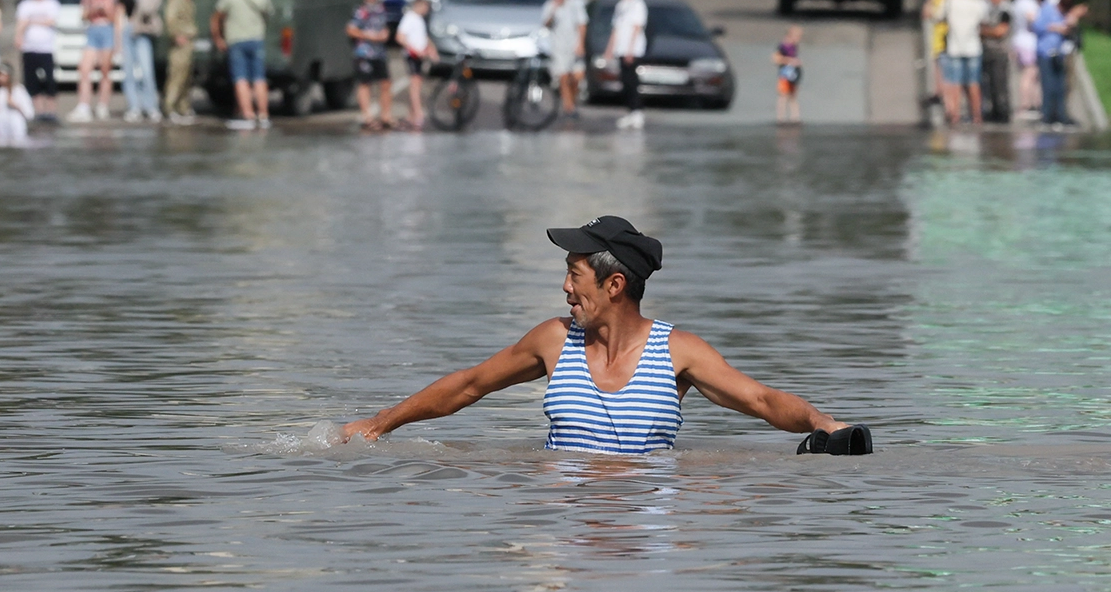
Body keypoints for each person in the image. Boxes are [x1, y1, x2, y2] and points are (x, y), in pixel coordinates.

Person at [340, 216, 858, 455]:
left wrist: (821, 422)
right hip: (564, 525)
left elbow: (763, 400)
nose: (565, 287)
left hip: (644, 530)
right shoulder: (553, 340)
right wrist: (380, 424)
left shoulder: (678, 352)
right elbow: (469, 385)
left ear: (614, 284)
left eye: (575, 274)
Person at [211, 0, 273, 130]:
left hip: (236, 40)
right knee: (259, 78)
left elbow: (217, 16)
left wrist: (218, 38)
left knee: (241, 79)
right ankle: (263, 114)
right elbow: (268, 13)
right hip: (257, 39)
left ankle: (248, 115)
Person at [1032, 0, 1088, 127]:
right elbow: (1039, 25)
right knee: (1048, 85)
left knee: (1060, 86)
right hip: (1046, 50)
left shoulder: (1062, 7)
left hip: (1060, 51)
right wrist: (1059, 26)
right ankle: (1048, 116)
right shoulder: (1051, 3)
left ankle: (1060, 115)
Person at [936, 0, 990, 125]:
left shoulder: (950, 2)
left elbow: (939, 17)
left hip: (955, 47)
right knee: (973, 83)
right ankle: (977, 115)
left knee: (955, 83)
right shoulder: (978, 3)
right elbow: (984, 21)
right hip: (973, 47)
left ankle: (955, 115)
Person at [69, 0, 122, 122]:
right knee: (84, 69)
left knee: (105, 70)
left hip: (107, 32)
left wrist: (118, 44)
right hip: (93, 32)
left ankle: (102, 105)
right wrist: (93, 10)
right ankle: (83, 105)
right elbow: (83, 16)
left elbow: (116, 19)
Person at [348, 0, 393, 131]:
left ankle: (386, 115)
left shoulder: (381, 10)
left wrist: (384, 35)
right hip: (364, 53)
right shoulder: (360, 12)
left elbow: (385, 28)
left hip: (380, 53)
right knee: (365, 83)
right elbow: (351, 30)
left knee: (385, 83)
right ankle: (367, 116)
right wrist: (369, 36)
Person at [121, 0, 165, 122]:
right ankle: (134, 107)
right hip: (128, 29)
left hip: (143, 31)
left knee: (146, 71)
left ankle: (151, 107)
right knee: (129, 72)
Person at [14, 0, 61, 122]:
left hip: (46, 48)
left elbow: (51, 21)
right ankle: (38, 111)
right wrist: (18, 36)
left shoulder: (52, 3)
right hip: (30, 47)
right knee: (31, 80)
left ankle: (51, 111)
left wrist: (32, 21)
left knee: (49, 80)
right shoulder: (25, 4)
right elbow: (21, 23)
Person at [604, 0, 646, 130]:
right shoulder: (621, 5)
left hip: (632, 50)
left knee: (631, 81)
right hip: (621, 49)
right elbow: (616, 29)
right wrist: (609, 49)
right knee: (624, 82)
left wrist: (631, 50)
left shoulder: (637, 4)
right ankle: (631, 111)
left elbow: (637, 27)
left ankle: (637, 112)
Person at [541, 0, 587, 120]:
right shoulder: (549, 5)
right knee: (564, 76)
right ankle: (568, 107)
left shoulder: (575, 4)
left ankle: (571, 101)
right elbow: (546, 24)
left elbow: (582, 24)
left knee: (577, 77)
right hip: (558, 47)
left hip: (573, 45)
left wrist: (580, 44)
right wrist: (553, 10)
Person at [396, 0, 438, 130]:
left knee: (417, 84)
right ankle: (418, 113)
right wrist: (414, 50)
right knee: (415, 85)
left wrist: (431, 50)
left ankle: (411, 114)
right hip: (413, 56)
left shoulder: (419, 19)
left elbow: (424, 37)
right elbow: (400, 37)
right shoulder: (409, 18)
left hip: (420, 56)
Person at [163, 0, 201, 124]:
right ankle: (170, 107)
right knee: (176, 75)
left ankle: (183, 107)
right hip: (180, 42)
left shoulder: (188, 0)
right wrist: (176, 35)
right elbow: (170, 18)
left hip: (188, 42)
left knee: (186, 77)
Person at [979, 0, 1012, 124]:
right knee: (987, 84)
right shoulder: (984, 9)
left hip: (1000, 51)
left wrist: (987, 31)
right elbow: (980, 29)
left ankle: (1003, 112)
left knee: (1000, 84)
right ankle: (991, 110)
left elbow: (1000, 31)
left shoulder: (1005, 10)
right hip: (986, 50)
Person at [1010, 0, 1042, 118]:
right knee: (1029, 74)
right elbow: (1033, 19)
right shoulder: (1029, 3)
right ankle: (1026, 104)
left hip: (1017, 40)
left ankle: (1033, 103)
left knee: (1029, 74)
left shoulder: (1016, 2)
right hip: (1028, 42)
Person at [922, 0, 954, 103]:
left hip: (952, 38)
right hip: (938, 38)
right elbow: (926, 14)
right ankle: (939, 91)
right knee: (939, 67)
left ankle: (947, 95)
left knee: (949, 69)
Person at [0, 63, 34, 147]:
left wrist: (15, 105)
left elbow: (30, 114)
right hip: (1, 133)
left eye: (4, 75)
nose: (1, 78)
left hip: (16, 131)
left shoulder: (18, 90)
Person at [773, 24, 802, 123]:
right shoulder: (783, 46)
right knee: (783, 95)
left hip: (794, 73)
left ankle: (795, 118)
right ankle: (780, 118)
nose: (798, 39)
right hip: (785, 73)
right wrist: (789, 60)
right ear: (790, 35)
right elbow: (776, 59)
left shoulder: (794, 46)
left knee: (793, 96)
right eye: (797, 36)